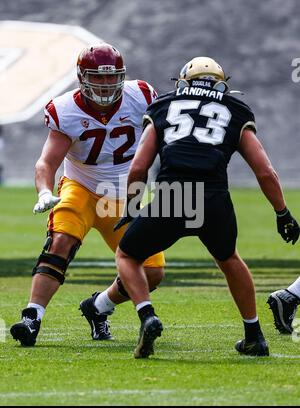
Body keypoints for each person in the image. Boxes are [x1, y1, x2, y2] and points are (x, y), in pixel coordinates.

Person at [114, 56, 300, 358]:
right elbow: (265, 171)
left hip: (174, 194)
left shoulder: (164, 105)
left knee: (127, 254)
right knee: (229, 260)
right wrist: (282, 213)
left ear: (183, 83)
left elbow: (138, 168)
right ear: (221, 85)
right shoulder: (235, 110)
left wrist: (134, 206)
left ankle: (147, 315)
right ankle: (254, 335)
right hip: (214, 197)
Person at [10, 43, 165, 347]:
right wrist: (43, 190)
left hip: (123, 196)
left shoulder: (142, 96)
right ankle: (32, 317)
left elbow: (162, 138)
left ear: (122, 76)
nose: (106, 85)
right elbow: (47, 161)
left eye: (112, 77)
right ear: (82, 77)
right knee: (61, 241)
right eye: (99, 77)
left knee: (153, 271)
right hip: (80, 186)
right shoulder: (66, 109)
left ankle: (98, 308)